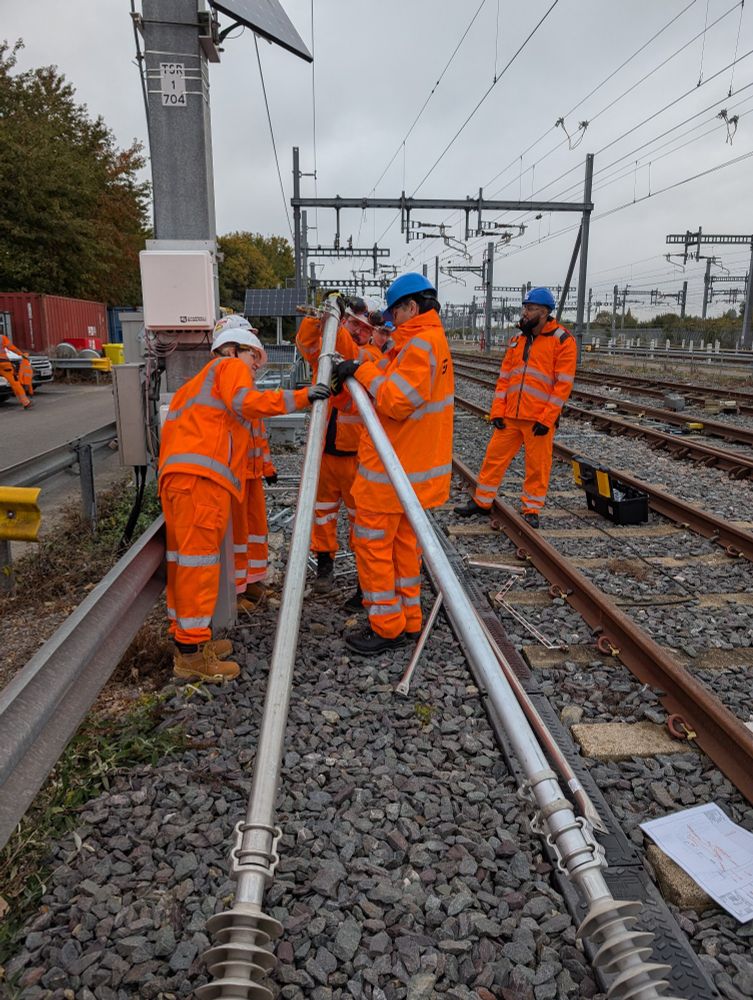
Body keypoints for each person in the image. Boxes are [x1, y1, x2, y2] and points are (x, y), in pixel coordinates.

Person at [159, 314, 331, 683]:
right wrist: (302, 396)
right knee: (198, 567)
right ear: (236, 348)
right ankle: (190, 656)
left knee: (184, 565)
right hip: (201, 482)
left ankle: (188, 642)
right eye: (255, 358)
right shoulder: (229, 366)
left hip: (182, 481)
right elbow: (247, 402)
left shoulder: (197, 383)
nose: (255, 367)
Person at [331, 273, 454, 656]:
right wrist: (361, 367)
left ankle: (386, 626)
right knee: (404, 549)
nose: (391, 320)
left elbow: (397, 401)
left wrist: (360, 371)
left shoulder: (420, 345)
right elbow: (390, 380)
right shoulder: (421, 343)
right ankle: (409, 620)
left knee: (373, 547)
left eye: (394, 311)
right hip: (409, 471)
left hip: (391, 472)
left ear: (411, 307)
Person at [454, 286, 577, 528]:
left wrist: (547, 418)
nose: (525, 313)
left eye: (530, 309)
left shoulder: (562, 340)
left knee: (537, 467)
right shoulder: (517, 340)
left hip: (538, 419)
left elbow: (563, 386)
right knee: (492, 459)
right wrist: (498, 410)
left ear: (544, 312)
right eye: (525, 308)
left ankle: (531, 509)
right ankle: (482, 501)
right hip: (511, 415)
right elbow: (504, 380)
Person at [296, 297, 382, 604]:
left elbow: (351, 352)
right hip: (325, 455)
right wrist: (319, 318)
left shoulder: (369, 356)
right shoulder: (329, 352)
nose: (358, 330)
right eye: (353, 324)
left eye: (363, 326)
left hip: (356, 458)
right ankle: (325, 571)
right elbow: (306, 344)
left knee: (362, 522)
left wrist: (338, 321)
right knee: (322, 516)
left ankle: (366, 583)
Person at [227, 323, 278, 611]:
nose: (256, 362)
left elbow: (258, 433)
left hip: (252, 473)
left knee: (255, 530)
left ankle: (252, 581)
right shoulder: (229, 385)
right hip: (234, 475)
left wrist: (267, 468)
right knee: (237, 534)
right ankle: (235, 591)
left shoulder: (246, 383)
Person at [0, 343, 32, 409]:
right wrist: (21, 354)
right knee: (15, 383)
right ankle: (25, 402)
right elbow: (12, 347)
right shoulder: (2, 338)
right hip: (4, 363)